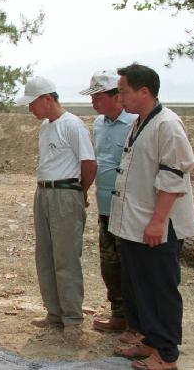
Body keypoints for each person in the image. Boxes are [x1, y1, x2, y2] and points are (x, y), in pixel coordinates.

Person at [110, 63, 194, 370]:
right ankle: (148, 339)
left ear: (143, 91)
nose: (119, 99)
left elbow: (173, 176)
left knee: (159, 288)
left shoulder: (167, 125)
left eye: (123, 92)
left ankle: (166, 353)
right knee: (138, 286)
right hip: (134, 224)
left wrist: (159, 221)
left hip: (158, 226)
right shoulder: (140, 123)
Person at [17, 76, 96, 339]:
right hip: (44, 192)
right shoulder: (45, 127)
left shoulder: (73, 125)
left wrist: (79, 192)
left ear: (47, 99)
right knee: (46, 255)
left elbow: (88, 163)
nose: (30, 109)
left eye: (32, 103)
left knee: (66, 257)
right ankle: (54, 312)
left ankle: (73, 318)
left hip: (65, 193)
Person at [80, 70, 137, 333]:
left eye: (98, 96)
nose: (94, 102)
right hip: (106, 208)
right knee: (110, 265)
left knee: (133, 267)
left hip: (130, 210)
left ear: (116, 96)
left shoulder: (136, 123)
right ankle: (118, 315)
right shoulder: (100, 125)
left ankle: (137, 323)